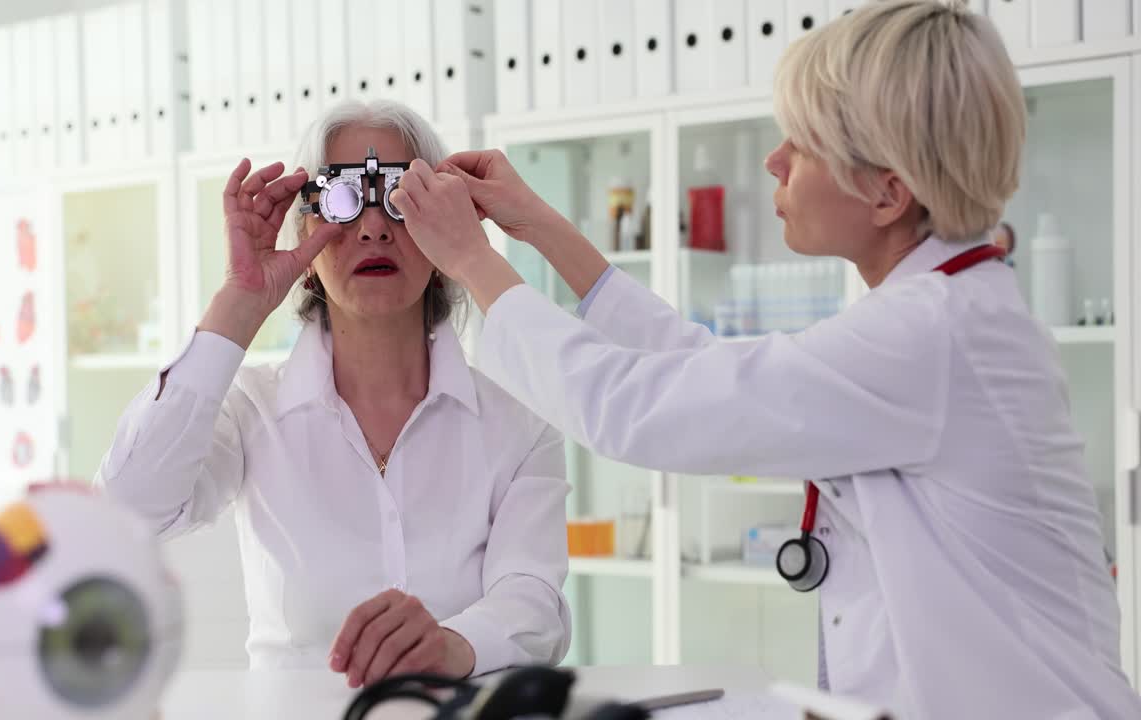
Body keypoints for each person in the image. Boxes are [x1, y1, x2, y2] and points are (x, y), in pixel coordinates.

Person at [387, 2, 1141, 718]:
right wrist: (540, 226)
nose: (775, 162)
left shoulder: (929, 336)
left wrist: (470, 260)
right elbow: (704, 366)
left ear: (888, 192)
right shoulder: (940, 317)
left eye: (803, 143)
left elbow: (639, 408)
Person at [96, 100, 571, 688]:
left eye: (400, 200)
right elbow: (128, 510)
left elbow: (534, 602)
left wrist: (451, 645)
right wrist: (239, 303)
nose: (373, 227)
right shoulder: (251, 411)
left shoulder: (520, 425)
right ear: (306, 238)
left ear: (446, 228)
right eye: (344, 201)